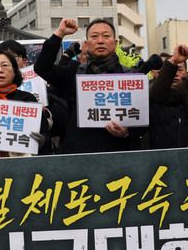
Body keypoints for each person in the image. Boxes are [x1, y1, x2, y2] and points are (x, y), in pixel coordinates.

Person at [34, 18, 141, 154]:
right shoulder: (74, 73)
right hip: (79, 158)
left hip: (119, 156)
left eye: (106, 36)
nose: (100, 41)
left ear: (115, 43)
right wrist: (60, 33)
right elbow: (42, 67)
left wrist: (127, 132)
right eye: (94, 36)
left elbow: (143, 120)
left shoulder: (130, 77)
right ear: (87, 44)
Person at [147, 60, 188, 149]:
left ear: (186, 73)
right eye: (169, 70)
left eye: (179, 69)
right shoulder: (148, 98)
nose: (175, 74)